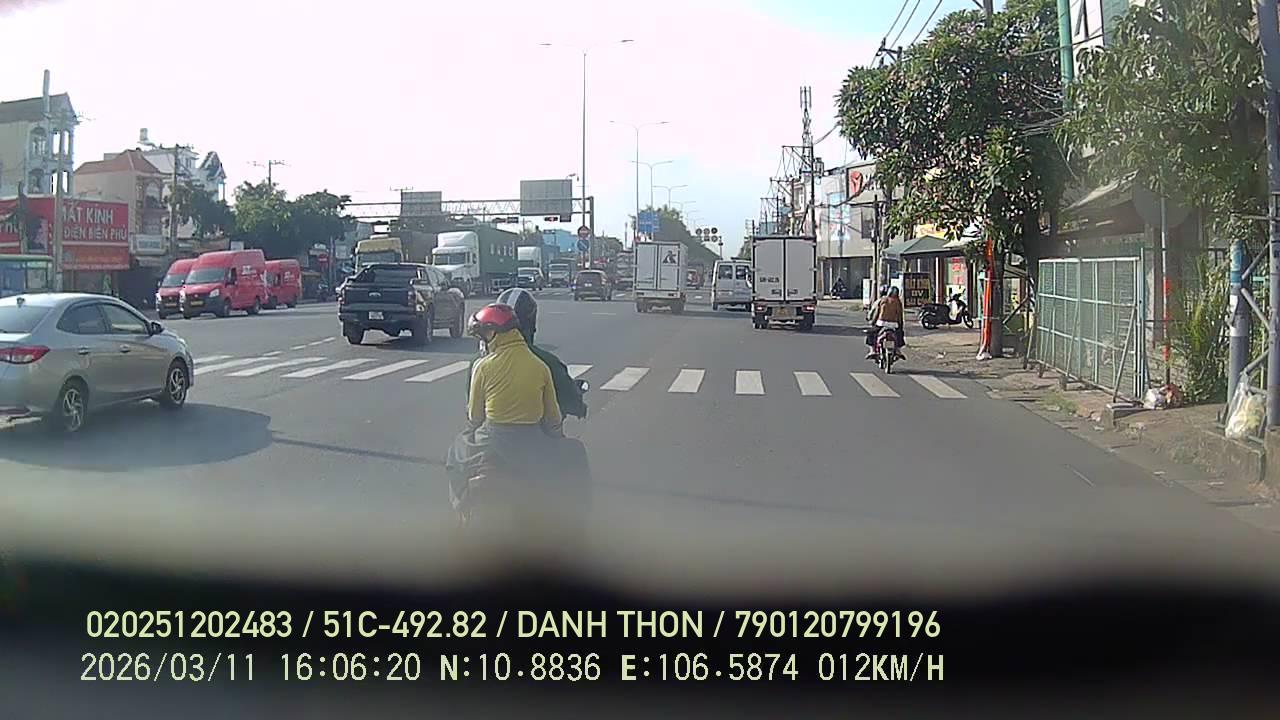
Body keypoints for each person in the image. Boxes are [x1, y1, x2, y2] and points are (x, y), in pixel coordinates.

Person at [867, 286, 906, 361]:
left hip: (881, 323)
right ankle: (898, 350)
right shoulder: (898, 302)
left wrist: (873, 322)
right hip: (894, 325)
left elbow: (877, 313)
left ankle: (872, 351)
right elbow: (900, 316)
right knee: (900, 334)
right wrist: (900, 326)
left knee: (871, 334)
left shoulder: (882, 300)